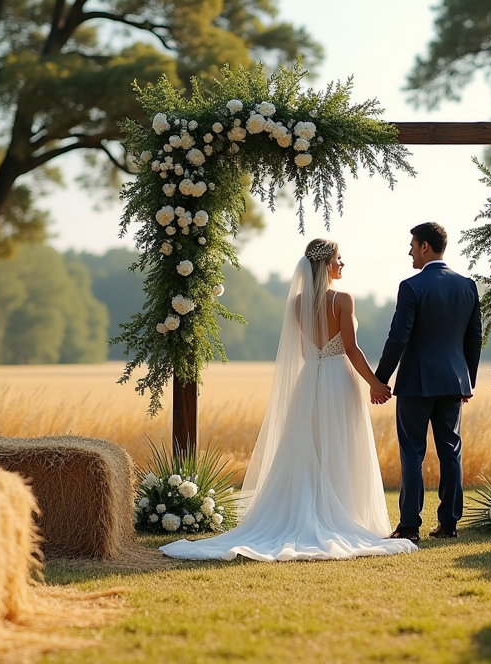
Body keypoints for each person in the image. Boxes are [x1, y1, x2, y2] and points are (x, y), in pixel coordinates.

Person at [160, 239, 417, 561]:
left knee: (309, 446)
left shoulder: (297, 303)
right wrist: (376, 384)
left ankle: (311, 508)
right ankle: (344, 513)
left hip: (309, 380)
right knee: (340, 445)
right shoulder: (342, 299)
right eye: (338, 259)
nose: (342, 264)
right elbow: (351, 349)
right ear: (325, 265)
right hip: (338, 379)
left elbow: (302, 351)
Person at [372, 222, 482, 542]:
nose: (409, 251)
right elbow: (474, 339)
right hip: (454, 382)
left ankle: (409, 526)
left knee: (412, 453)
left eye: (412, 244)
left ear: (424, 247)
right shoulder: (467, 286)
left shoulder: (411, 286)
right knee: (450, 452)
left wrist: (380, 379)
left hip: (417, 383)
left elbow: (398, 338)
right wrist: (467, 382)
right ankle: (448, 524)